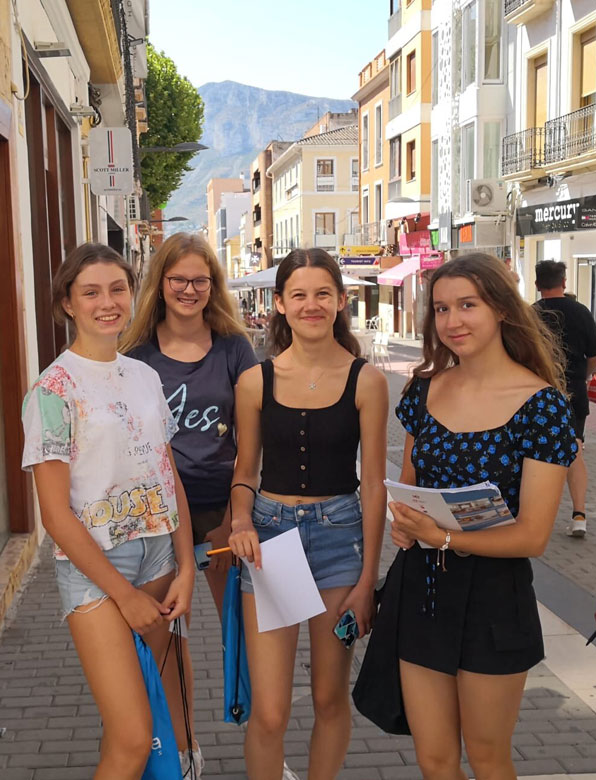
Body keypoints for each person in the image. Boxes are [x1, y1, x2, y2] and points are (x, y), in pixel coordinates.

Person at [382, 253, 578, 779]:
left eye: (467, 305)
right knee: (435, 759)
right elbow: (409, 490)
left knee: (489, 758)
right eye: (442, 309)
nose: (453, 321)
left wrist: (442, 536)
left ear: (502, 310)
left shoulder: (542, 406)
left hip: (494, 598)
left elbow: (533, 535)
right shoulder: (423, 391)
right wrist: (403, 523)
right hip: (421, 588)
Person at [22, 242, 197, 779]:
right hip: (97, 573)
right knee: (131, 740)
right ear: (68, 304)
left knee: (179, 725)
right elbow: (56, 517)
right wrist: (122, 595)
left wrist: (187, 565)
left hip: (160, 558)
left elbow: (168, 478)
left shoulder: (143, 375)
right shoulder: (53, 391)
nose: (108, 302)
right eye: (91, 291)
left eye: (117, 288)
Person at [226, 248, 389, 780]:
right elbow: (246, 470)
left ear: (342, 301)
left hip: (340, 546)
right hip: (272, 543)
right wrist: (242, 521)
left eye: (323, 294)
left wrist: (368, 579)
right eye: (298, 294)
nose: (311, 304)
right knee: (270, 710)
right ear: (279, 303)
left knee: (328, 697)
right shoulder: (255, 381)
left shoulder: (367, 381)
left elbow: (373, 487)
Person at [123, 232, 257, 619]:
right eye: (178, 279)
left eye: (200, 280)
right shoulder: (136, 356)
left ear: (212, 286)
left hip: (223, 508)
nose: (189, 289)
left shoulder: (234, 348)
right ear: (160, 283)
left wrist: (233, 519)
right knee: (162, 631)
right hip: (159, 513)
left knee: (240, 628)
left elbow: (250, 443)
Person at [533, 260, 596, 538]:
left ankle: (535, 516)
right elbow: (595, 356)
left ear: (538, 285)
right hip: (574, 392)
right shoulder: (581, 312)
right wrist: (583, 377)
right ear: (564, 282)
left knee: (537, 455)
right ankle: (579, 515)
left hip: (538, 393)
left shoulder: (529, 315)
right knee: (573, 450)